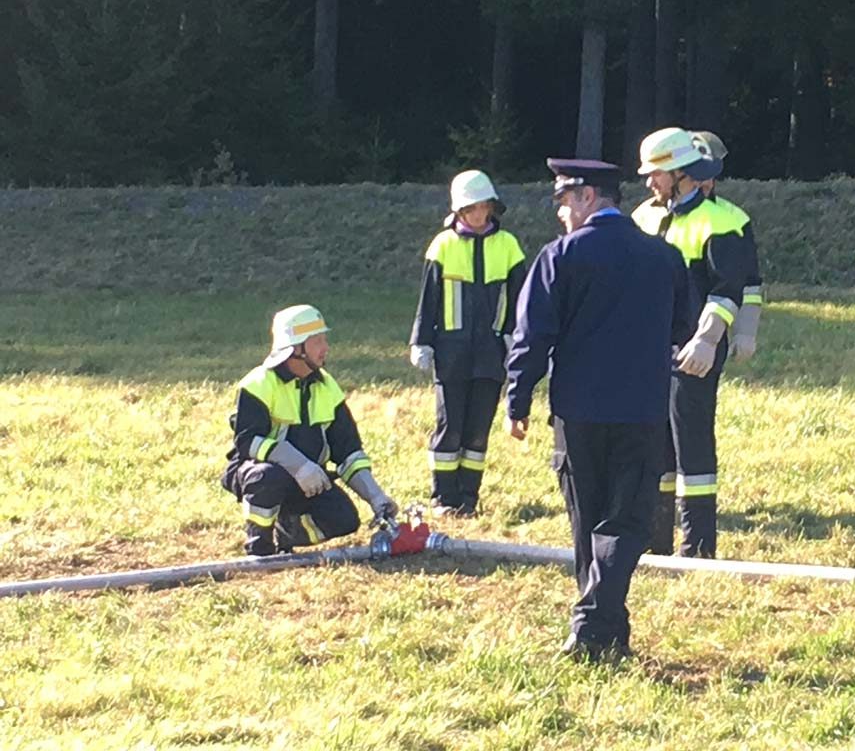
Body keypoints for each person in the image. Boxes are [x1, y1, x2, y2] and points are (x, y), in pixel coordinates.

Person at [506, 158, 694, 661]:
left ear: (588, 197)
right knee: (626, 521)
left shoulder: (560, 256)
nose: (561, 213)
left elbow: (531, 335)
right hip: (642, 408)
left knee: (588, 520)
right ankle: (607, 630)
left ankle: (591, 625)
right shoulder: (662, 256)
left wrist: (517, 399)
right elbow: (684, 325)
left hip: (579, 411)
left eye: (564, 201)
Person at [632, 127, 752, 558]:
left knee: (692, 445)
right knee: (654, 445)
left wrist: (707, 340)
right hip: (649, 350)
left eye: (656, 174)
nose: (649, 182)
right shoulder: (644, 217)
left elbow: (727, 290)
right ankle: (653, 539)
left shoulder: (723, 222)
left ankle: (697, 547)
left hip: (694, 351)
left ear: (681, 173)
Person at [222, 304, 399, 556]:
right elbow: (248, 442)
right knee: (266, 477)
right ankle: (259, 545)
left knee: (345, 519)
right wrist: (297, 464)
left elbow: (349, 452)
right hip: (261, 474)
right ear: (295, 348)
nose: (325, 348)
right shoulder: (258, 384)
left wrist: (376, 497)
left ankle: (285, 533)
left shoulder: (327, 387)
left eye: (324, 340)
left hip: (310, 481)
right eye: (317, 341)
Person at [409, 169, 526, 516]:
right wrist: (422, 342)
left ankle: (469, 499)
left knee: (478, 429)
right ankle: (444, 497)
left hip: (491, 353)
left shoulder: (508, 246)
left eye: (483, 207)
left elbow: (521, 299)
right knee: (450, 424)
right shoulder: (442, 245)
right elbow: (427, 299)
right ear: (458, 211)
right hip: (451, 352)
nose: (478, 215)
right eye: (471, 209)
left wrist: (514, 337)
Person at [688, 130, 764, 361]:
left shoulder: (733, 218)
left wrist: (746, 332)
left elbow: (748, 283)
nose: (708, 183)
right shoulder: (646, 215)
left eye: (711, 175)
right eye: (700, 174)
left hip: (706, 334)